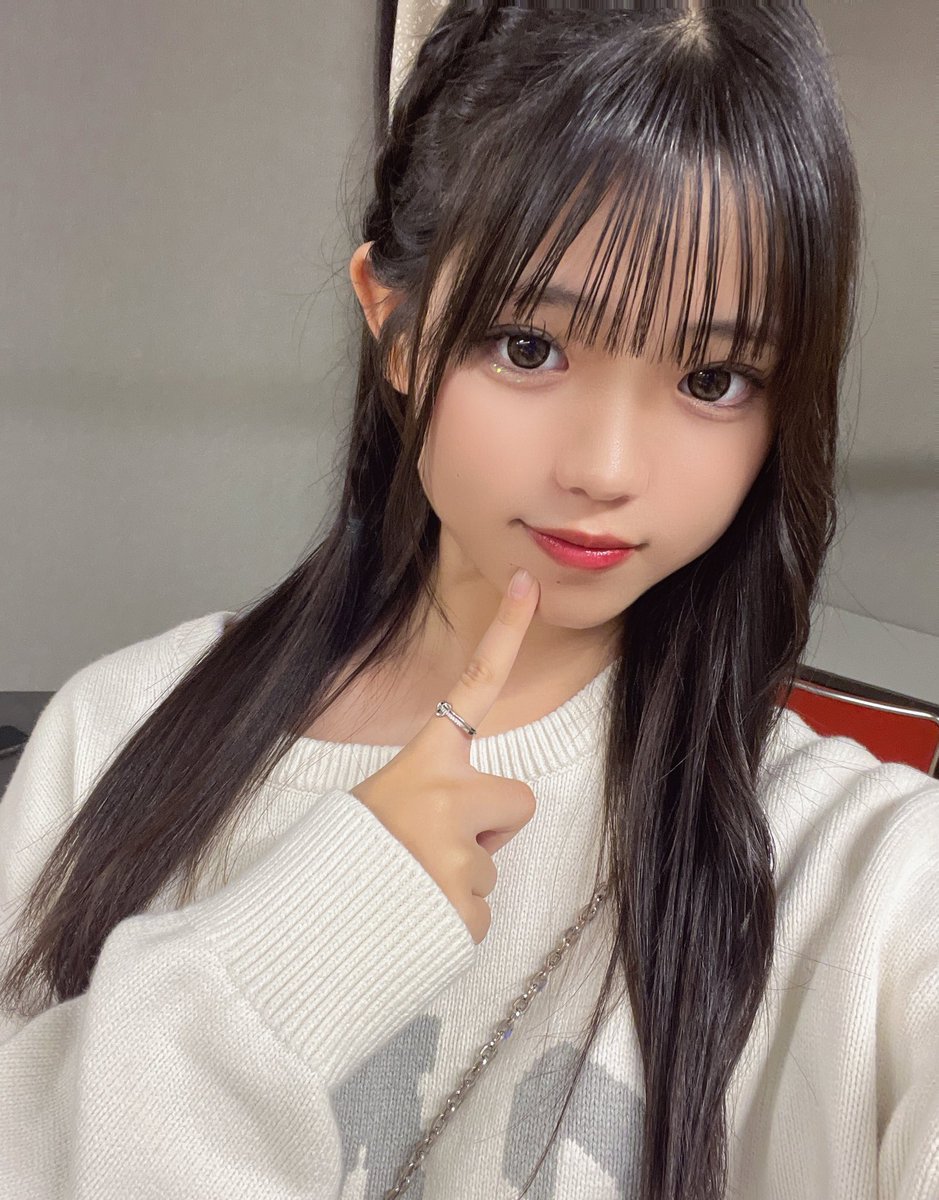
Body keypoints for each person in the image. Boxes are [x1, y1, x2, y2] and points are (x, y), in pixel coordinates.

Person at [1, 2, 936, 1198]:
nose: (606, 468)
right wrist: (284, 955)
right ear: (394, 326)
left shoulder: (855, 866)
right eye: (529, 347)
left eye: (713, 377)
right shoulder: (116, 732)